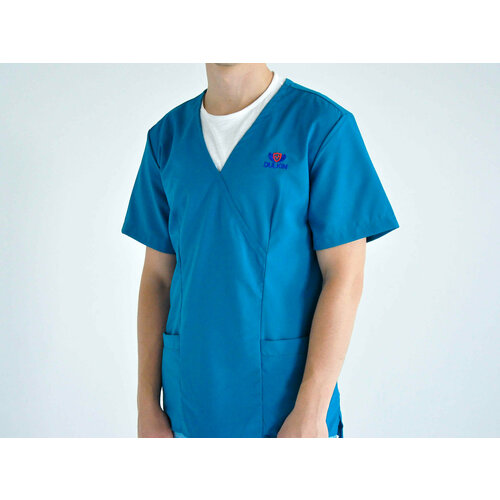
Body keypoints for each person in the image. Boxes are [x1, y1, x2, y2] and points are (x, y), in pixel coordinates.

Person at [122, 63, 399, 438]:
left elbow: (344, 277)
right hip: (186, 410)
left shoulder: (321, 126)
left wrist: (311, 411)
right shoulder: (167, 138)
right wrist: (146, 407)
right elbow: (157, 278)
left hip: (288, 415)